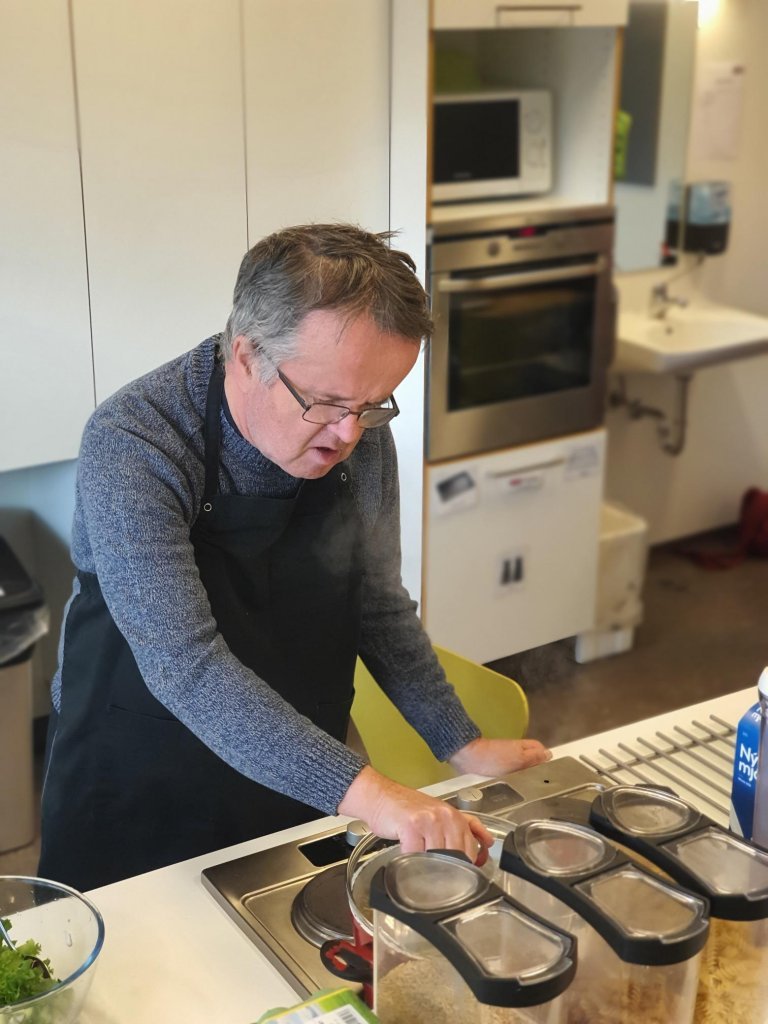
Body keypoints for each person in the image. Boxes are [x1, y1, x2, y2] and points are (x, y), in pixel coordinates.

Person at [39, 223, 550, 891]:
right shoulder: (137, 442)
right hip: (137, 769)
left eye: (373, 406)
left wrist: (461, 742)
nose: (348, 434)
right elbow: (186, 666)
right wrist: (373, 794)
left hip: (294, 759)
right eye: (327, 403)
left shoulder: (358, 433)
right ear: (246, 356)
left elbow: (376, 604)